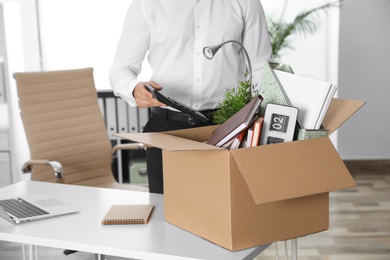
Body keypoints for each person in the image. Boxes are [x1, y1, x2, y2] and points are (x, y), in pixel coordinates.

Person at [109, 0, 272, 194]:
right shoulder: (146, 4)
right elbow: (121, 67)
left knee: (222, 213)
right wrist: (133, 87)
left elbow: (261, 67)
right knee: (165, 213)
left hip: (227, 130)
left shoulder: (245, 2)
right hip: (167, 131)